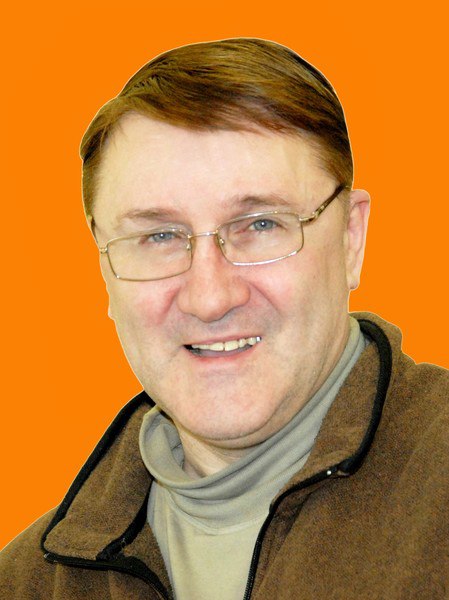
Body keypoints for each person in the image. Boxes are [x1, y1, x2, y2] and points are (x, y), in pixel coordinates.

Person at [0, 38, 447, 600]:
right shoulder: (26, 583)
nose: (209, 298)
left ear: (351, 239)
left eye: (260, 225)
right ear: (104, 269)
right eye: (159, 237)